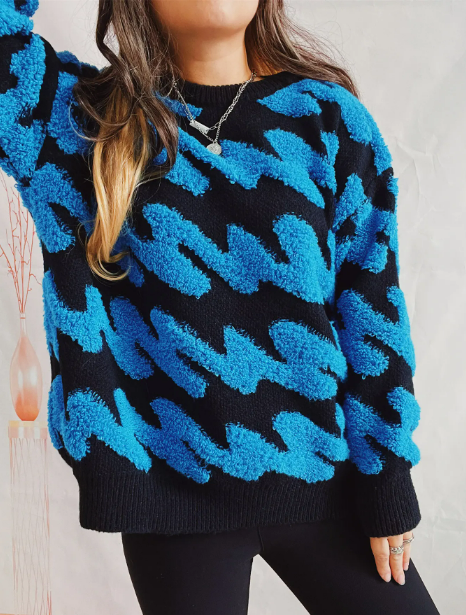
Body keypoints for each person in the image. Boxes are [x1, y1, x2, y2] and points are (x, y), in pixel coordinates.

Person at [0, 0, 440, 613]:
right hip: (170, 501)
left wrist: (388, 476)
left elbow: (373, 314)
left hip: (330, 479)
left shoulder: (329, 120)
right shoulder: (78, 123)